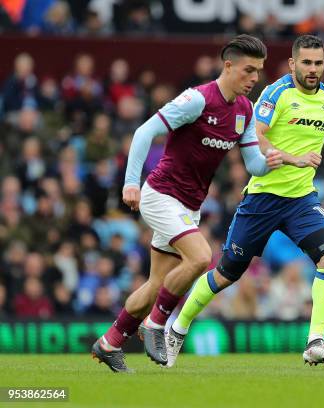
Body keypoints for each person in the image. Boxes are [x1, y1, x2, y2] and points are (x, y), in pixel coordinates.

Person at [162, 34, 324, 368]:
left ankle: (315, 342)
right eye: (306, 63)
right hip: (262, 198)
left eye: (318, 63)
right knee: (226, 273)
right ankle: (178, 328)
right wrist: (291, 158)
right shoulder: (276, 93)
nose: (312, 69)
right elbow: (255, 135)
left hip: (301, 200)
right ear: (293, 64)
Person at [91, 34, 283, 372]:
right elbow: (143, 133)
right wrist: (131, 183)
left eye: (259, 72)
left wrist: (273, 160)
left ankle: (110, 342)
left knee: (155, 285)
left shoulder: (246, 110)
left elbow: (253, 164)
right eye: (249, 70)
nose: (254, 79)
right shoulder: (197, 99)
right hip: (160, 194)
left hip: (189, 206)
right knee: (201, 257)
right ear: (228, 66)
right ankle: (155, 325)